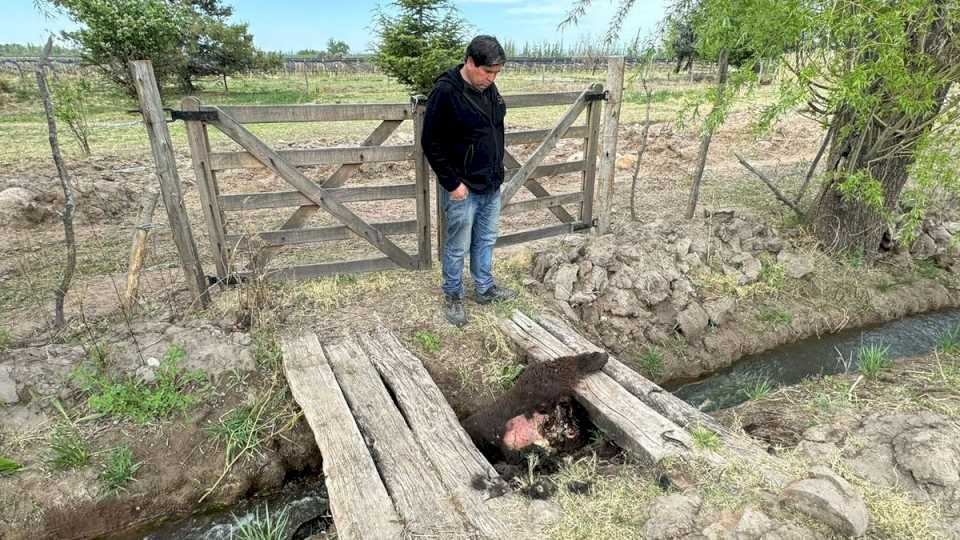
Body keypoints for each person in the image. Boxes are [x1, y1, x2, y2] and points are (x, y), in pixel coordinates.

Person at [422, 35, 518, 327]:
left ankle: (485, 288)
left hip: (490, 183)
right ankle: (453, 295)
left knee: (486, 240)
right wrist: (452, 184)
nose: (491, 78)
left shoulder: (488, 88)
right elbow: (431, 142)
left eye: (496, 73)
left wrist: (496, 172)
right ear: (470, 62)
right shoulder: (446, 92)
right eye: (487, 71)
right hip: (462, 187)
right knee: (457, 246)